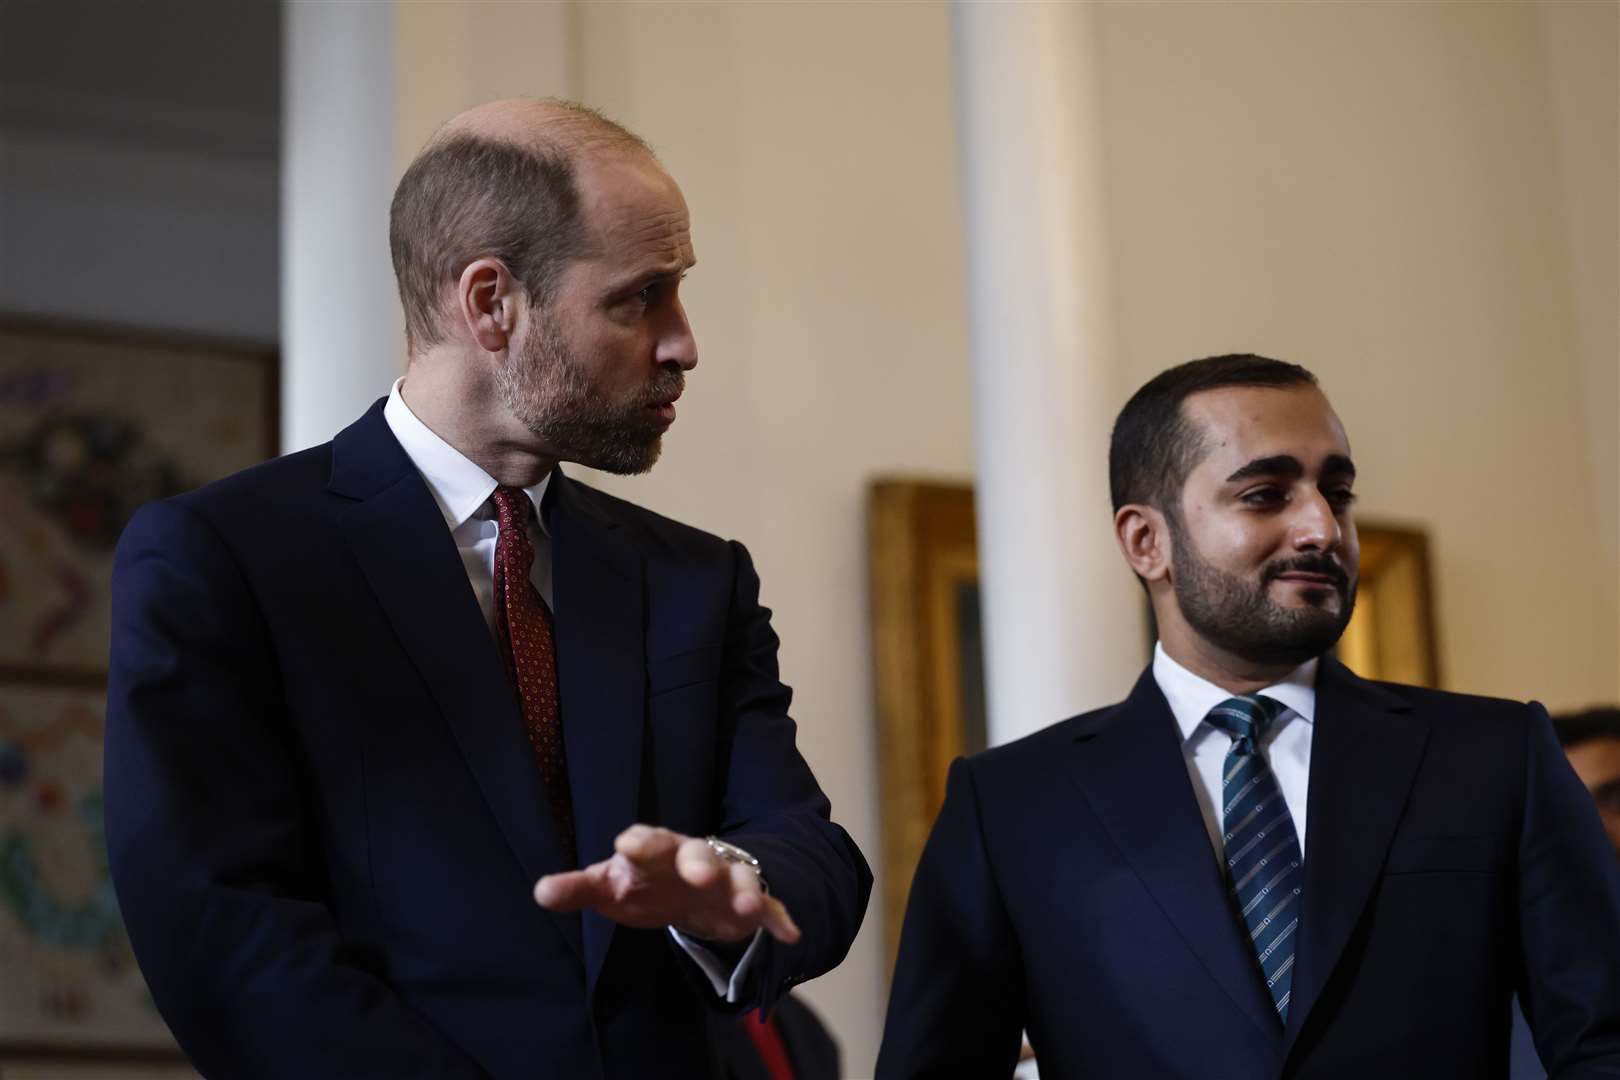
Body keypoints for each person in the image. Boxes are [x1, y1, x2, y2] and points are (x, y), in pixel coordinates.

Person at [104, 99, 870, 1079]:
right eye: (641, 297)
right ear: (490, 303)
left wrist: (738, 891)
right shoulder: (221, 557)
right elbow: (222, 936)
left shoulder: (697, 579)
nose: (683, 343)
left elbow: (813, 852)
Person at [876, 354, 1620, 1078]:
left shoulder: (1495, 755)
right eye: (1266, 494)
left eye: (1338, 492)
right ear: (1147, 541)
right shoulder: (1010, 804)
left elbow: (1602, 1044)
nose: (1322, 529)